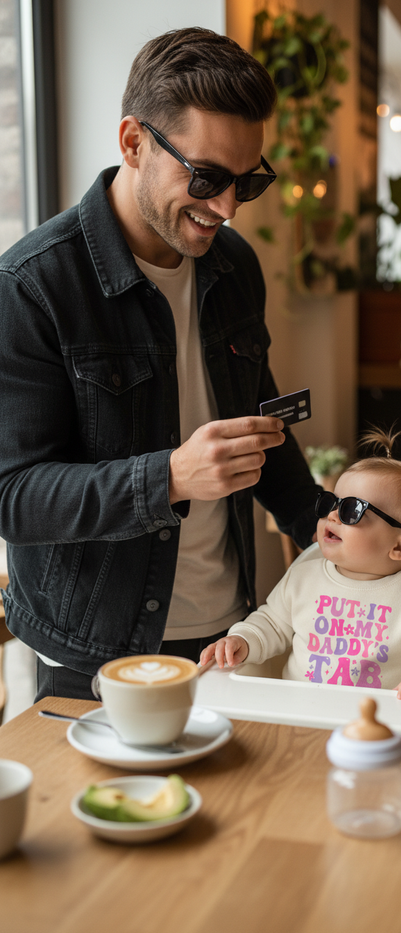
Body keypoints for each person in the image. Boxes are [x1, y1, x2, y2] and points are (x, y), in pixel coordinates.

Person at [0, 28, 321, 701]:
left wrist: (326, 519)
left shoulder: (233, 267)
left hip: (232, 638)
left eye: (247, 181)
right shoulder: (31, 286)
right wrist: (169, 476)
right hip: (92, 659)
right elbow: (14, 497)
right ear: (133, 142)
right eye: (205, 177)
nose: (227, 208)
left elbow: (256, 423)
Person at [201, 429, 401, 704]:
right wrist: (242, 640)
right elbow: (272, 623)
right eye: (332, 502)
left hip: (380, 720)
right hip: (301, 710)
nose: (332, 515)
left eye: (352, 510)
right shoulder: (303, 577)